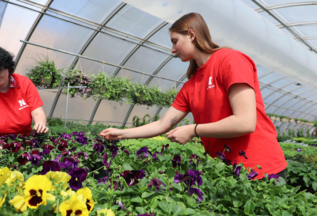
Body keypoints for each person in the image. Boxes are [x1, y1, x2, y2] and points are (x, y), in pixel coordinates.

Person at [100, 13, 287, 180]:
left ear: (191, 35)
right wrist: (121, 133)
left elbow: (245, 122)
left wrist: (193, 130)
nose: (172, 49)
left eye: (175, 41)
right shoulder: (191, 85)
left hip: (262, 170)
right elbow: (162, 124)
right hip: (225, 174)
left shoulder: (230, 60)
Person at [0, 46, 48, 153]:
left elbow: (38, 113)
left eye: (0, 69)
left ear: (8, 68)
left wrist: (40, 124)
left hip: (27, 142)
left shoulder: (24, 83)